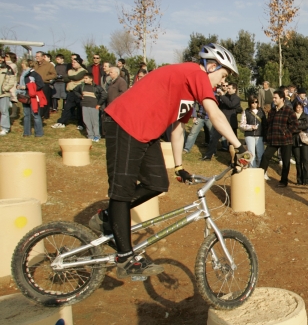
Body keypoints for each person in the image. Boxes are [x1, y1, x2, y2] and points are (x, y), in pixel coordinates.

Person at [89, 43, 248, 278]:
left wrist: (179, 165)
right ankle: (125, 259)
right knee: (121, 192)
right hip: (125, 122)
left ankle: (106, 218)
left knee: (157, 183)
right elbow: (214, 113)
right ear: (211, 66)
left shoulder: (189, 89)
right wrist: (239, 145)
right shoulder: (195, 73)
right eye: (222, 75)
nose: (222, 83)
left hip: (145, 132)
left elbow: (176, 128)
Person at [259, 89, 298, 187]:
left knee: (285, 162)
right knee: (265, 156)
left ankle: (284, 181)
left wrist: (286, 132)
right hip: (273, 139)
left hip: (285, 140)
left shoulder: (289, 110)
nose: (273, 99)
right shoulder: (271, 111)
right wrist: (268, 135)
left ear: (282, 99)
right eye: (273, 97)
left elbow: (295, 125)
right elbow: (268, 125)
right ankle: (258, 177)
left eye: (275, 98)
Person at [202, 83, 242, 160]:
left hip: (231, 122)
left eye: (229, 88)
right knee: (214, 137)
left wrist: (222, 96)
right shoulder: (224, 96)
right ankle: (208, 155)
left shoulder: (236, 98)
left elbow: (231, 105)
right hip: (222, 122)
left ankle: (235, 160)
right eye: (228, 88)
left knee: (233, 143)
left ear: (234, 89)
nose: (228, 89)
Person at [72, 73, 106, 142]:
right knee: (87, 121)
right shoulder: (81, 86)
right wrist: (80, 96)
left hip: (94, 106)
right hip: (85, 106)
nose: (85, 80)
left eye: (86, 78)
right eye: (84, 78)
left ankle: (97, 136)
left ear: (91, 79)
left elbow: (104, 95)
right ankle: (90, 135)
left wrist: (99, 104)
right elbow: (74, 90)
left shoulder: (96, 87)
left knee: (95, 122)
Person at [17, 59, 47, 137]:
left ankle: (39, 133)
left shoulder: (34, 74)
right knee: (26, 115)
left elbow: (40, 85)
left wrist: (26, 87)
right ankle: (26, 132)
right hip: (24, 96)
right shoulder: (23, 74)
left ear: (26, 64)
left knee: (35, 115)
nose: (21, 65)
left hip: (33, 97)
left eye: (23, 63)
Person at [239, 95, 266, 169]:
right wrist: (251, 127)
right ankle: (252, 169)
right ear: (249, 103)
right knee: (251, 154)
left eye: (256, 102)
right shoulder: (246, 111)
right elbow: (241, 125)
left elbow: (265, 124)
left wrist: (265, 136)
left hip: (259, 135)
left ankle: (262, 171)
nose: (254, 104)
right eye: (252, 102)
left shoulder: (261, 111)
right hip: (249, 135)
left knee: (261, 154)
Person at [292, 101, 308, 185]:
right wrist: (299, 128)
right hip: (295, 140)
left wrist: (297, 127)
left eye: (300, 107)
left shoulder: (306, 116)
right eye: (297, 107)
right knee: (298, 161)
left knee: (305, 160)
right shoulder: (292, 116)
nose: (299, 108)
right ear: (295, 108)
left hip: (304, 140)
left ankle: (307, 180)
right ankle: (299, 180)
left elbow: (306, 125)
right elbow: (291, 127)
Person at [33, 51, 57, 119]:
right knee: (37, 100)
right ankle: (38, 113)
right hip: (35, 84)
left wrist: (44, 78)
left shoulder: (49, 65)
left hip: (44, 84)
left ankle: (46, 114)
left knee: (45, 99)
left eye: (38, 56)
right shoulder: (34, 64)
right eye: (36, 56)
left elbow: (54, 75)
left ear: (43, 57)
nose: (36, 58)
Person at [0, 52, 18, 135]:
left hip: (3, 93)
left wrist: (4, 88)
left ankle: (5, 128)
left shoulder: (8, 68)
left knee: (4, 111)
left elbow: (11, 80)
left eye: (2, 57)